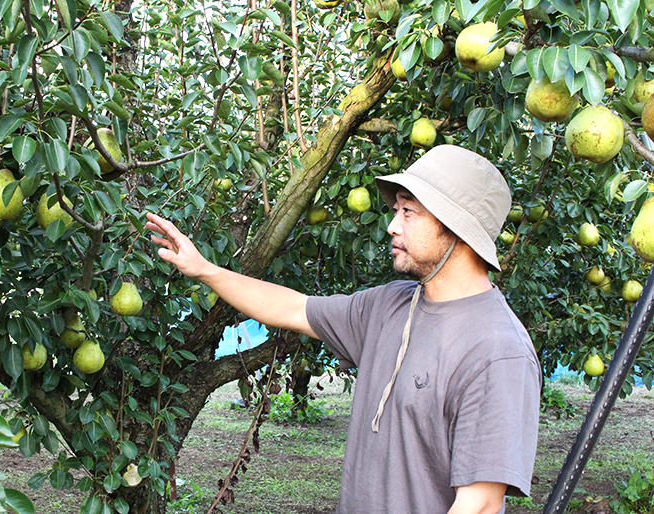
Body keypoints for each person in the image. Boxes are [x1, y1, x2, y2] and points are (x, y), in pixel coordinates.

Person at [145, 145, 541, 514]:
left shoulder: (496, 351)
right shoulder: (389, 306)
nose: (392, 227)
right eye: (396, 210)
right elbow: (292, 307)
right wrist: (204, 269)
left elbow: (480, 505)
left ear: (456, 228)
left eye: (409, 212)